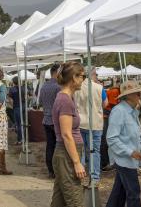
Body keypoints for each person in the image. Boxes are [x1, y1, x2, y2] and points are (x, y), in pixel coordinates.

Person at [106, 81, 141, 207]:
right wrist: (131, 152)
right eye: (136, 93)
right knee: (134, 193)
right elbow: (112, 138)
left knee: (119, 193)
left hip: (127, 159)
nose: (140, 94)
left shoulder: (132, 111)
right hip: (124, 159)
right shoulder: (119, 111)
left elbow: (129, 135)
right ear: (128, 96)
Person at [50, 62, 86, 207]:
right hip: (67, 154)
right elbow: (66, 134)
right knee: (75, 199)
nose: (84, 79)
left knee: (60, 200)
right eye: (82, 76)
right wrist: (77, 163)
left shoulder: (65, 98)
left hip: (65, 153)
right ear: (74, 78)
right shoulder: (65, 100)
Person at [74, 67, 108, 186]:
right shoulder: (99, 87)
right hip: (95, 124)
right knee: (95, 151)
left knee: (82, 151)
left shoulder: (76, 88)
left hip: (81, 123)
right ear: (93, 74)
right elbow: (105, 103)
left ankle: (81, 175)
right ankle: (94, 177)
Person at [39, 64, 61, 179]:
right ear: (56, 73)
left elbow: (40, 102)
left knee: (50, 145)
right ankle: (56, 169)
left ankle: (50, 170)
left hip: (46, 119)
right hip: (55, 120)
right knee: (58, 146)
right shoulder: (58, 87)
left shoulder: (44, 86)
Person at [101, 78, 121, 171]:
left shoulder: (115, 91)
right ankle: (107, 162)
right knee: (107, 139)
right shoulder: (114, 91)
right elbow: (112, 105)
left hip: (109, 115)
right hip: (107, 116)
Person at [8, 76, 25, 145]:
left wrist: (12, 106)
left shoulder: (12, 89)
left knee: (18, 124)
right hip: (23, 107)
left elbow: (10, 100)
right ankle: (23, 138)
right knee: (23, 123)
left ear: (13, 82)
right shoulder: (23, 88)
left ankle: (20, 140)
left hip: (16, 107)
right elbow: (28, 96)